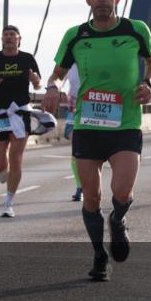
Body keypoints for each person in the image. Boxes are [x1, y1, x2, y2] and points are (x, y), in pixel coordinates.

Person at [42, 0, 151, 282]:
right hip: (89, 125)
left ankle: (118, 221)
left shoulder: (136, 30)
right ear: (89, 1)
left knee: (122, 191)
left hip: (126, 124)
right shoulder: (76, 35)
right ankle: (98, 256)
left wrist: (148, 82)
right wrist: (52, 88)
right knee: (91, 198)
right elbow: (57, 73)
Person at [0, 25, 42, 218]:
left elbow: (38, 84)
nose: (9, 38)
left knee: (16, 158)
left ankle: (9, 202)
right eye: (6, 35)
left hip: (20, 112)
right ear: (2, 39)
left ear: (19, 39)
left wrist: (35, 80)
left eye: (13, 35)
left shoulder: (27, 59)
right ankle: (2, 172)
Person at [62, 63, 83, 201]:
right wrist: (58, 89)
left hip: (94, 109)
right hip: (74, 110)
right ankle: (80, 187)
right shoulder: (69, 61)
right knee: (77, 150)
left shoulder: (99, 56)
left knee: (91, 154)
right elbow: (59, 78)